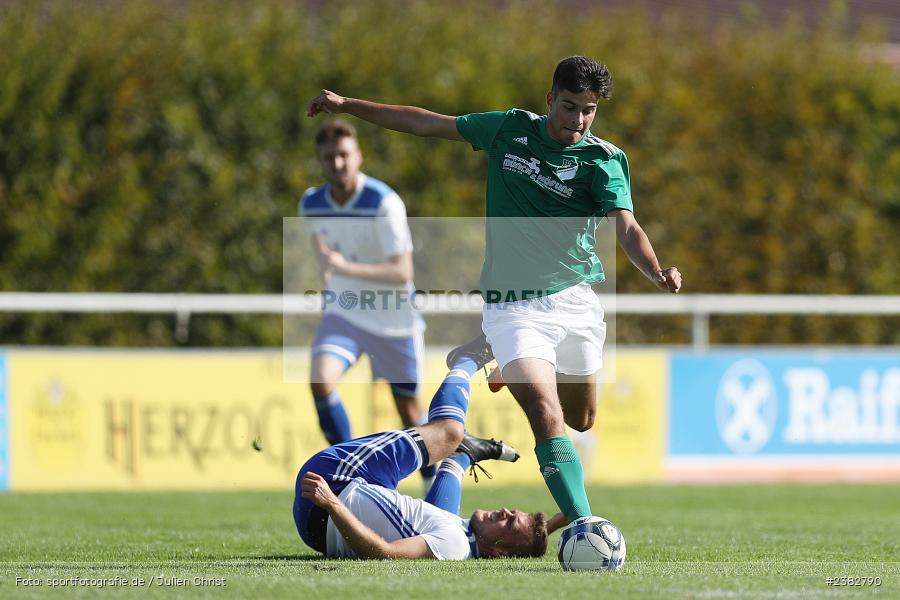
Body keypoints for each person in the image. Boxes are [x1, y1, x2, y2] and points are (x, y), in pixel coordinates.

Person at [306, 56, 682, 524]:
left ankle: (502, 361)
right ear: (550, 100)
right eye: (569, 107)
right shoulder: (509, 130)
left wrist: (654, 270)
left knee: (580, 419)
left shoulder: (604, 160)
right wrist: (349, 105)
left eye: (589, 110)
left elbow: (626, 227)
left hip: (574, 300)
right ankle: (586, 527)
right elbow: (424, 123)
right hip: (514, 306)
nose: (578, 120)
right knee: (544, 411)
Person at [295, 343, 567, 559]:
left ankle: (466, 360)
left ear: (498, 552)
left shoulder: (454, 545)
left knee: (449, 432)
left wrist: (332, 502)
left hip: (334, 483)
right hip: (319, 523)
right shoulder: (461, 540)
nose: (506, 511)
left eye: (509, 524)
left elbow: (383, 553)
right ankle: (462, 457)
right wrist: (564, 516)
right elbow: (518, 541)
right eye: (513, 512)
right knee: (444, 517)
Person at [299, 119, 434, 486]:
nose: (338, 164)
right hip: (346, 314)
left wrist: (346, 268)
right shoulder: (311, 203)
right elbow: (322, 254)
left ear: (358, 156)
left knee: (409, 413)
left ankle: (434, 486)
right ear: (321, 160)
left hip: (393, 320)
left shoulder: (383, 202)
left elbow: (402, 272)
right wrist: (329, 279)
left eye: (344, 155)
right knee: (320, 379)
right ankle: (347, 474)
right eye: (329, 157)